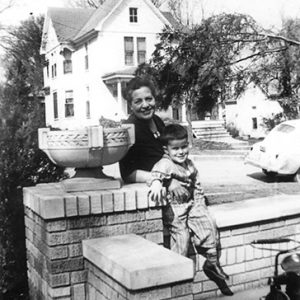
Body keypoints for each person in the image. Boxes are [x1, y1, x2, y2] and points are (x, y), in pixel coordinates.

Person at [148, 124, 233, 296]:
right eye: (176, 148)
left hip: (192, 202)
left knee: (208, 224)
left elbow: (197, 185)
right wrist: (157, 183)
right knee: (182, 237)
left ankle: (211, 262)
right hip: (175, 208)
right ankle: (177, 272)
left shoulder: (190, 164)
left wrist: (200, 204)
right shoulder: (166, 163)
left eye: (184, 147)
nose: (180, 152)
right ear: (166, 150)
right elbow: (156, 173)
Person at [119, 76, 190, 201]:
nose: (145, 105)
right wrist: (166, 181)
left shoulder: (157, 120)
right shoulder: (130, 129)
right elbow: (128, 174)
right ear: (130, 105)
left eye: (148, 99)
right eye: (138, 101)